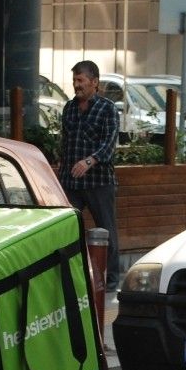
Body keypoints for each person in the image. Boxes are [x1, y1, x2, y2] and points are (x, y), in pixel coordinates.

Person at [59, 59, 121, 288]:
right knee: (67, 228)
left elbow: (109, 144)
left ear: (94, 82)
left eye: (80, 80)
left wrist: (89, 161)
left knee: (106, 229)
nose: (76, 85)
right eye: (74, 80)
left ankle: (111, 278)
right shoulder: (69, 108)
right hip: (71, 181)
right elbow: (65, 142)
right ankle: (71, 276)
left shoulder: (107, 108)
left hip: (99, 181)